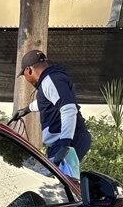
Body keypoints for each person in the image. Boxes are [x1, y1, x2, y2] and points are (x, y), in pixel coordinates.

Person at [15, 50, 91, 178]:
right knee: (50, 181)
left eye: (24, 75)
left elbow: (68, 109)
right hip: (60, 144)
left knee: (59, 186)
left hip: (68, 143)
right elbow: (47, 103)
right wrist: (25, 110)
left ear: (29, 70)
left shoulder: (51, 80)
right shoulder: (50, 80)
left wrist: (64, 145)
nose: (26, 79)